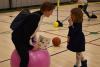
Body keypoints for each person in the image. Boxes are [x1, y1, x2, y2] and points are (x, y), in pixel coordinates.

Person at [11, 2, 55, 67]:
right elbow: (26, 35)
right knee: (25, 58)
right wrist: (31, 47)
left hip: (23, 37)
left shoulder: (40, 15)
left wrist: (35, 40)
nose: (52, 13)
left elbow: (32, 31)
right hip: (18, 38)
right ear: (46, 10)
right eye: (51, 11)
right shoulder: (35, 17)